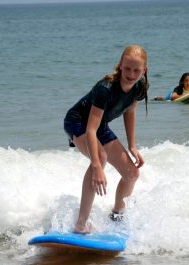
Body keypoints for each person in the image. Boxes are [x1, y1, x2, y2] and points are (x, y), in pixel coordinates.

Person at [63, 45, 149, 234]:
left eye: (136, 70)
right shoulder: (106, 88)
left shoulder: (140, 86)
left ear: (144, 70)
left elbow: (130, 111)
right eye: (127, 68)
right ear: (120, 65)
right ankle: (81, 224)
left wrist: (132, 146)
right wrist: (97, 167)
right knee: (99, 158)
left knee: (132, 174)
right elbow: (91, 130)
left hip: (99, 126)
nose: (131, 74)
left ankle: (117, 217)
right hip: (77, 122)